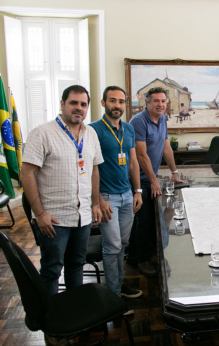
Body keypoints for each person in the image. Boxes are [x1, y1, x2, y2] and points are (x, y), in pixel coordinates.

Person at [21, 85, 103, 298]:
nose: (79, 108)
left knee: (77, 264)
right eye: (73, 103)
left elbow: (94, 169)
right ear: (62, 104)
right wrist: (39, 214)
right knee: (51, 269)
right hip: (54, 219)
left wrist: (95, 203)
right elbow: (27, 174)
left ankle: (73, 311)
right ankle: (51, 321)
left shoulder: (91, 133)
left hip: (82, 216)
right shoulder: (42, 133)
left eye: (83, 104)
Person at [90, 86, 143, 302]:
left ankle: (118, 285)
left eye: (121, 102)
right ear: (103, 103)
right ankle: (113, 296)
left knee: (122, 243)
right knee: (112, 247)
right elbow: (88, 168)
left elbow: (132, 162)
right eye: (112, 101)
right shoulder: (93, 130)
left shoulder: (128, 129)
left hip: (127, 195)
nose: (117, 106)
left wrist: (137, 190)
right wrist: (98, 200)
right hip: (107, 197)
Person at [128, 87, 185, 276]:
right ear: (148, 103)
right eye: (156, 101)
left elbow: (166, 146)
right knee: (143, 221)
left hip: (151, 179)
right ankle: (138, 260)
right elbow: (141, 155)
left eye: (163, 101)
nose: (160, 105)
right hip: (138, 180)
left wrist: (174, 172)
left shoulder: (162, 120)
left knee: (154, 220)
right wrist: (153, 181)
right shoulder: (138, 121)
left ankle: (152, 251)